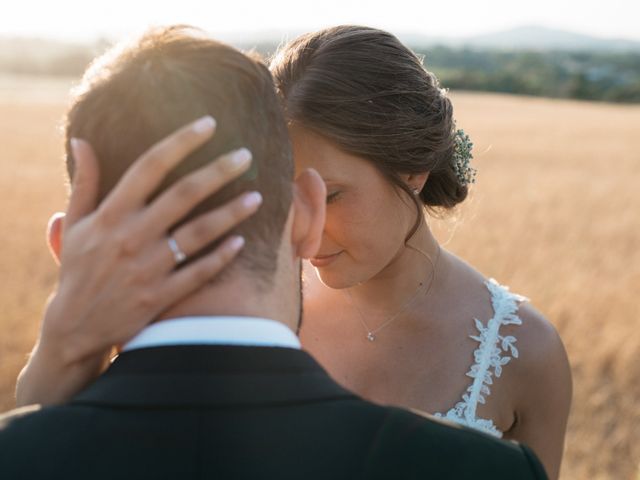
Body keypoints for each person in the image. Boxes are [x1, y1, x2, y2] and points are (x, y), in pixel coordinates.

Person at [0, 26, 548, 479]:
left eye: (337, 193)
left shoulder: (26, 453)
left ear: (65, 246)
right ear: (302, 212)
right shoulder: (487, 470)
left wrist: (50, 377)